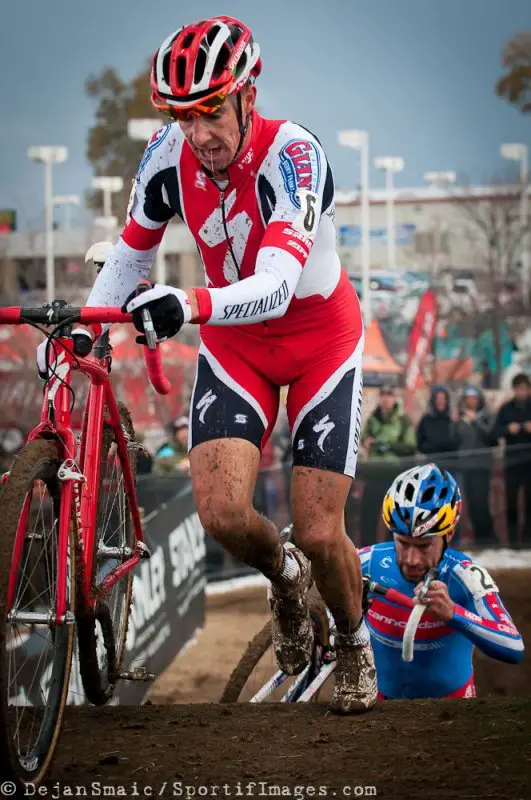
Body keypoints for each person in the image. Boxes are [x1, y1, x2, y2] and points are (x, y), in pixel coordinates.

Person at [40, 16, 375, 713]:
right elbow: (131, 254)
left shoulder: (295, 154)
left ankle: (350, 636)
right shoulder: (165, 157)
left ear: (246, 96)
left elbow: (280, 281)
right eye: (181, 117)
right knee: (221, 514)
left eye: (209, 112)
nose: (198, 134)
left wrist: (188, 301)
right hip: (236, 347)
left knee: (318, 530)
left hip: (319, 340)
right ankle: (283, 578)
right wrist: (84, 335)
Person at [359, 463, 524, 699]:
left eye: (424, 546)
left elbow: (514, 647)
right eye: (402, 543)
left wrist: (453, 613)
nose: (411, 559)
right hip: (381, 702)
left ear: (449, 534)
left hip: (451, 711)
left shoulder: (465, 574)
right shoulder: (368, 560)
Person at [360, 386, 416, 544]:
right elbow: (364, 438)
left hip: (395, 473)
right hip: (375, 472)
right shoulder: (372, 419)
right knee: (368, 513)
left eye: (390, 395)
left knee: (394, 514)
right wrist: (368, 442)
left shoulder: (403, 419)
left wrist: (388, 446)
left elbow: (410, 446)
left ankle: (393, 547)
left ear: (395, 398)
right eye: (383, 395)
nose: (386, 399)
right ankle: (367, 547)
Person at [455, 386, 496, 546]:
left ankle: (487, 538)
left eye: (474, 398)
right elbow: (456, 441)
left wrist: (476, 421)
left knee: (481, 504)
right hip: (465, 466)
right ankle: (479, 539)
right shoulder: (460, 418)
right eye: (468, 398)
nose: (471, 401)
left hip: (482, 466)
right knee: (471, 505)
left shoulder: (487, 416)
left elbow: (492, 437)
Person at [494, 373, 531, 547]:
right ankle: (513, 540)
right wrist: (508, 429)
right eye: (518, 389)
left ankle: (528, 538)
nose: (521, 392)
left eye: (524, 388)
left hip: (529, 462)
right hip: (512, 462)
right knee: (511, 502)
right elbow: (495, 431)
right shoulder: (506, 408)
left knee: (530, 502)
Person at [416, 384, 458, 456]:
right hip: (432, 459)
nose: (440, 401)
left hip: (452, 461)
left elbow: (457, 442)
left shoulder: (452, 420)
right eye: (438, 398)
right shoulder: (426, 420)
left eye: (443, 398)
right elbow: (420, 442)